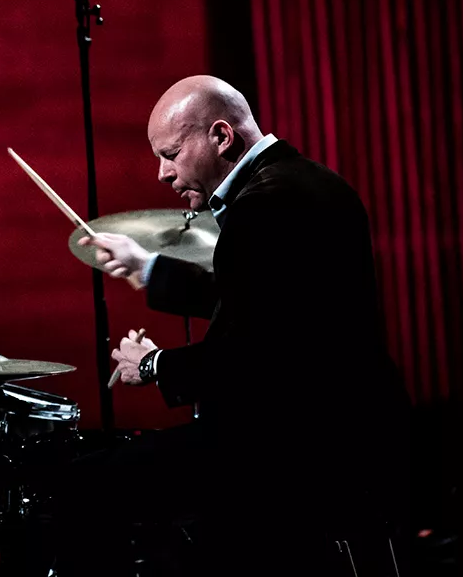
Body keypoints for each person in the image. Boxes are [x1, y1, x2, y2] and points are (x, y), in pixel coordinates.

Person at [59, 75, 411, 576]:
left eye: (171, 154)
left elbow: (252, 359)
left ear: (221, 137)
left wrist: (155, 365)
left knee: (85, 485)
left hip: (295, 449)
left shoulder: (265, 205)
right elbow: (260, 301)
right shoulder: (307, 181)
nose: (161, 173)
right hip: (345, 430)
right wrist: (147, 266)